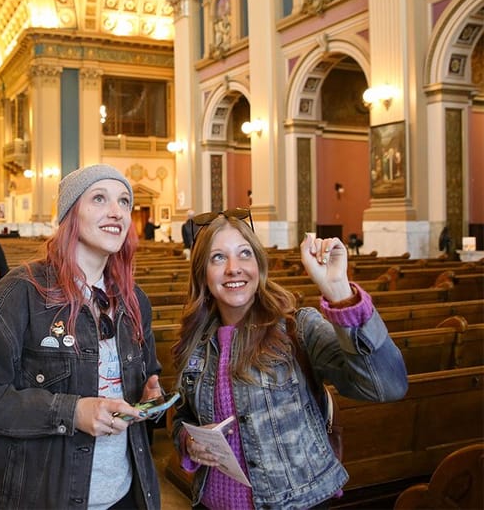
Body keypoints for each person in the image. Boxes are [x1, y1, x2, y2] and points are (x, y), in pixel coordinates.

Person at [0, 164, 163, 509]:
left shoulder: (133, 299)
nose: (117, 212)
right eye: (99, 198)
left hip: (123, 494)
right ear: (70, 213)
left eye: (124, 202)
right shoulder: (20, 293)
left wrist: (151, 392)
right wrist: (72, 412)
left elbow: (149, 370)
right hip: (43, 496)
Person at [171, 210, 408, 510]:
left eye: (245, 254)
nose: (234, 268)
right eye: (218, 258)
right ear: (202, 273)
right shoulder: (194, 345)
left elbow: (388, 386)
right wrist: (189, 443)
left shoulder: (298, 328)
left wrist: (339, 293)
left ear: (259, 264)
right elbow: (183, 418)